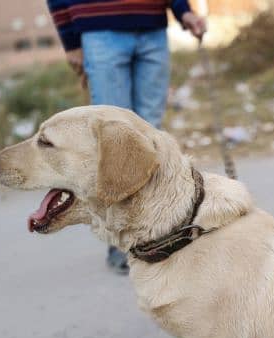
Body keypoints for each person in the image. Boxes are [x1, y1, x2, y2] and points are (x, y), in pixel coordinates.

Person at [47, 0, 207, 275]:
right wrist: (70, 40)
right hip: (99, 29)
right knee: (111, 145)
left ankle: (156, 233)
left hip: (153, 28)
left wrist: (184, 12)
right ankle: (119, 243)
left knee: (150, 140)